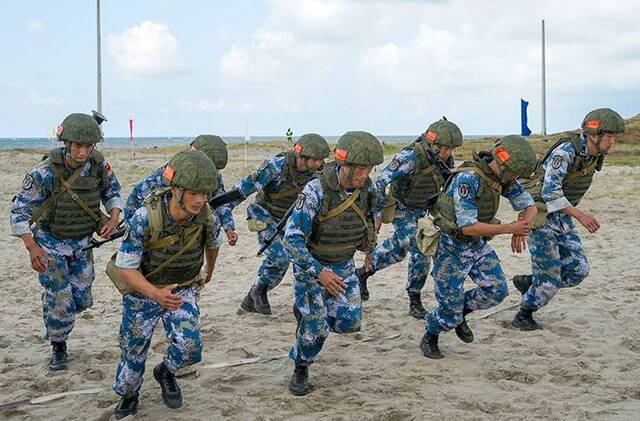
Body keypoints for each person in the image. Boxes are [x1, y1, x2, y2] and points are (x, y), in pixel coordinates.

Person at [111, 150, 222, 418]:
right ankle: (130, 395)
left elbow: (213, 243)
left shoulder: (207, 216)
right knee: (132, 356)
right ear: (175, 189)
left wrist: (209, 269)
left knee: (190, 349)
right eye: (194, 193)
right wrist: (155, 294)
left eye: (205, 193)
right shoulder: (145, 218)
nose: (200, 199)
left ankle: (166, 372)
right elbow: (125, 268)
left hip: (181, 290)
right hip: (143, 292)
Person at [9, 112, 122, 370]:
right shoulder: (45, 172)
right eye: (78, 146)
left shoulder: (98, 165)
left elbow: (112, 191)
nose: (83, 152)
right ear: (67, 143)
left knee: (81, 300)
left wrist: (113, 217)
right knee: (61, 301)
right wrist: (31, 247)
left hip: (82, 245)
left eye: (88, 146)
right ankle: (58, 346)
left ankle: (56, 315)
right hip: (50, 245)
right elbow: (19, 212)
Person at [420, 135, 538, 359]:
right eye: (513, 173)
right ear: (503, 163)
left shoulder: (502, 177)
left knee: (497, 290)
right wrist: (509, 228)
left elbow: (529, 205)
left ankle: (460, 312)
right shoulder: (468, 179)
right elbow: (468, 227)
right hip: (451, 247)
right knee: (448, 312)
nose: (515, 178)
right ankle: (430, 334)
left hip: (476, 246)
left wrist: (523, 225)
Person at [285, 131, 383, 395]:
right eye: (361, 168)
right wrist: (318, 273)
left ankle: (305, 315)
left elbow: (372, 217)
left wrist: (370, 250)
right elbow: (292, 240)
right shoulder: (316, 191)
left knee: (349, 323)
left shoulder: (369, 189)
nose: (366, 174)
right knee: (317, 330)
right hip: (312, 265)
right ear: (345, 165)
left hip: (344, 264)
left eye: (370, 168)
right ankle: (301, 365)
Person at [511, 108, 625, 330]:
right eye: (609, 136)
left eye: (614, 137)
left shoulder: (594, 154)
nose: (612, 142)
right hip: (541, 216)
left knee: (578, 270)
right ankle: (524, 313)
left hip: (561, 216)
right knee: (550, 281)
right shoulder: (565, 151)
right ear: (594, 135)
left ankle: (531, 283)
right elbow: (550, 192)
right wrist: (580, 215)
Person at [357, 118, 463, 318]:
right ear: (433, 143)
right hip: (403, 208)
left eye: (452, 149)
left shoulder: (444, 159)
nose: (448, 153)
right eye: (445, 148)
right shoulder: (410, 157)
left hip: (427, 209)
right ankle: (414, 298)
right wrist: (378, 212)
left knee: (398, 249)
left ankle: (364, 272)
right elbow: (379, 183)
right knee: (420, 248)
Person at [233, 134, 330, 315]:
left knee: (299, 257)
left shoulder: (320, 173)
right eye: (315, 160)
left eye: (321, 160)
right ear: (303, 157)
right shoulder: (277, 167)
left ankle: (254, 295)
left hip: (289, 218)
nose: (319, 164)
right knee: (280, 256)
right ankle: (258, 291)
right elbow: (243, 188)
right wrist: (223, 214)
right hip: (262, 214)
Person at [124, 134, 237, 246]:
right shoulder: (174, 171)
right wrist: (132, 228)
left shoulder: (212, 175)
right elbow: (137, 198)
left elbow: (220, 201)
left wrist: (229, 228)